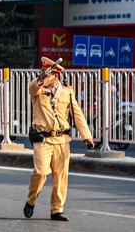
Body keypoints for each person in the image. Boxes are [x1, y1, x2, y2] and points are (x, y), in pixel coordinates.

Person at [24, 57, 95, 221]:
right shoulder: (38, 90)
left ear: (55, 75)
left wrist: (86, 135)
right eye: (42, 73)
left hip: (62, 139)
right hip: (42, 139)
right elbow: (32, 88)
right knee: (41, 172)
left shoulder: (67, 92)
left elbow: (77, 114)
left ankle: (57, 209)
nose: (43, 76)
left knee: (61, 175)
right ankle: (31, 200)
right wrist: (39, 80)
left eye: (46, 73)